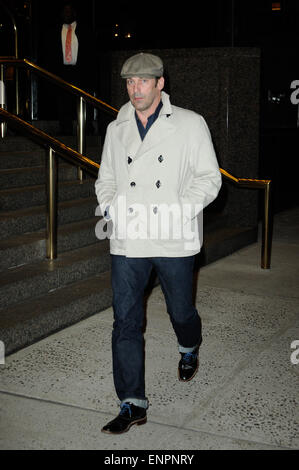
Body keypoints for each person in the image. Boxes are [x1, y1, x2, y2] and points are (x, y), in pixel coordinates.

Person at [95, 53, 222, 434]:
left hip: (173, 236)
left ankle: (189, 345)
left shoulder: (189, 124)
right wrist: (111, 207)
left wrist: (179, 209)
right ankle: (132, 402)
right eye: (130, 83)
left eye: (143, 82)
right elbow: (106, 178)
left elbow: (209, 178)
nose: (135, 89)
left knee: (181, 311)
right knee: (126, 322)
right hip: (129, 238)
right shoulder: (117, 128)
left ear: (160, 83)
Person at [41, 1, 95, 134]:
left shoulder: (84, 30)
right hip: (62, 71)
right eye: (65, 11)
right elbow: (49, 52)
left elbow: (90, 51)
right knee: (63, 102)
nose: (67, 14)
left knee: (83, 100)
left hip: (80, 70)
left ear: (74, 13)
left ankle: (86, 128)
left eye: (69, 11)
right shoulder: (55, 30)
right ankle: (66, 129)